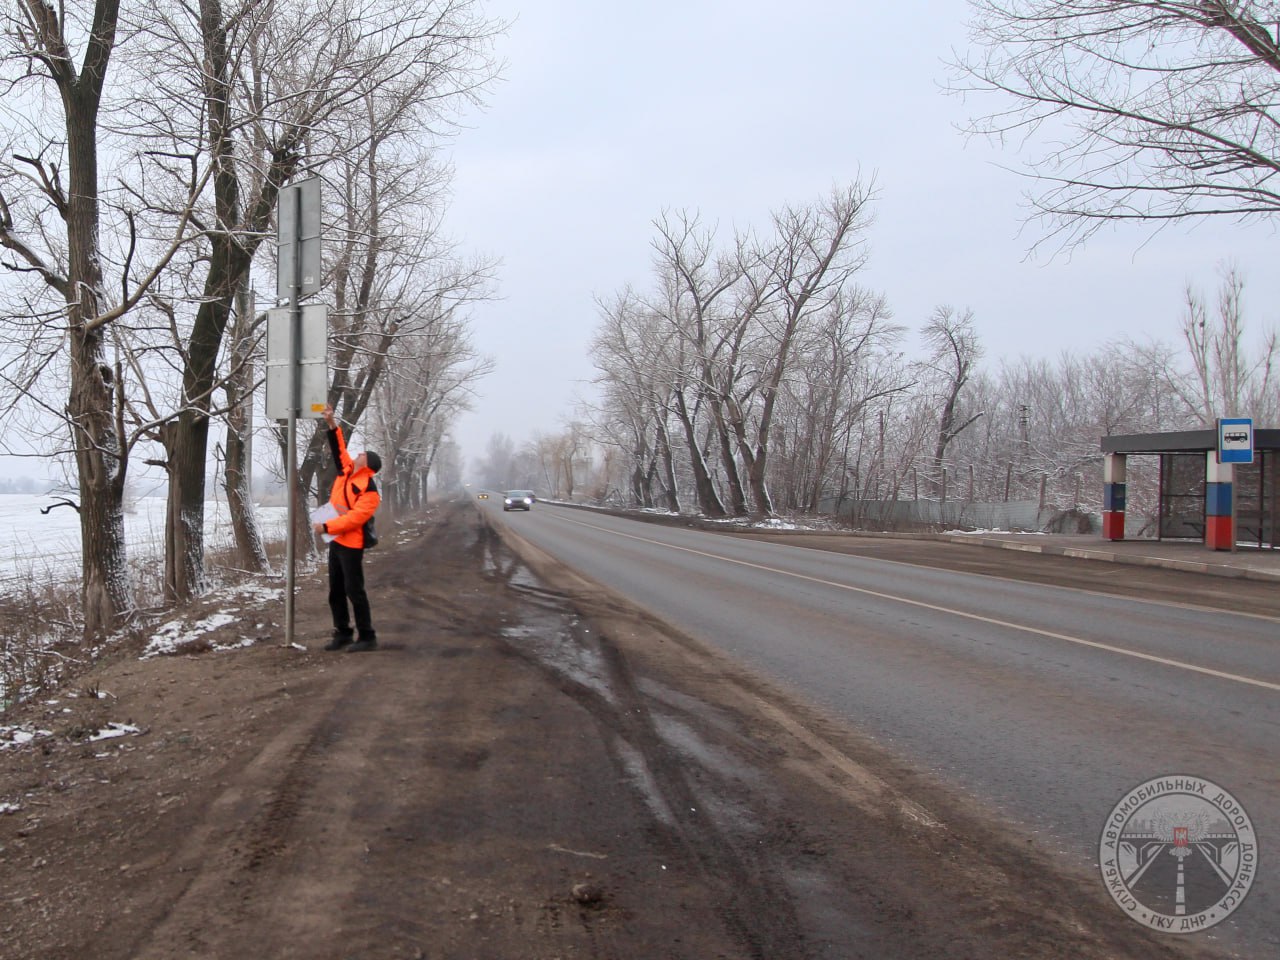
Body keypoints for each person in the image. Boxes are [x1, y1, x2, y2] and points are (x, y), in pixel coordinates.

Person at [312, 404, 383, 652]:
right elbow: (338, 448)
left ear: (368, 464)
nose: (357, 455)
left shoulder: (369, 490)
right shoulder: (347, 472)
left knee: (355, 590)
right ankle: (342, 633)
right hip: (336, 542)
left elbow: (354, 519)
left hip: (351, 544)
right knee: (336, 591)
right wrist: (331, 423)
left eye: (362, 454)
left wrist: (327, 526)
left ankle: (367, 636)